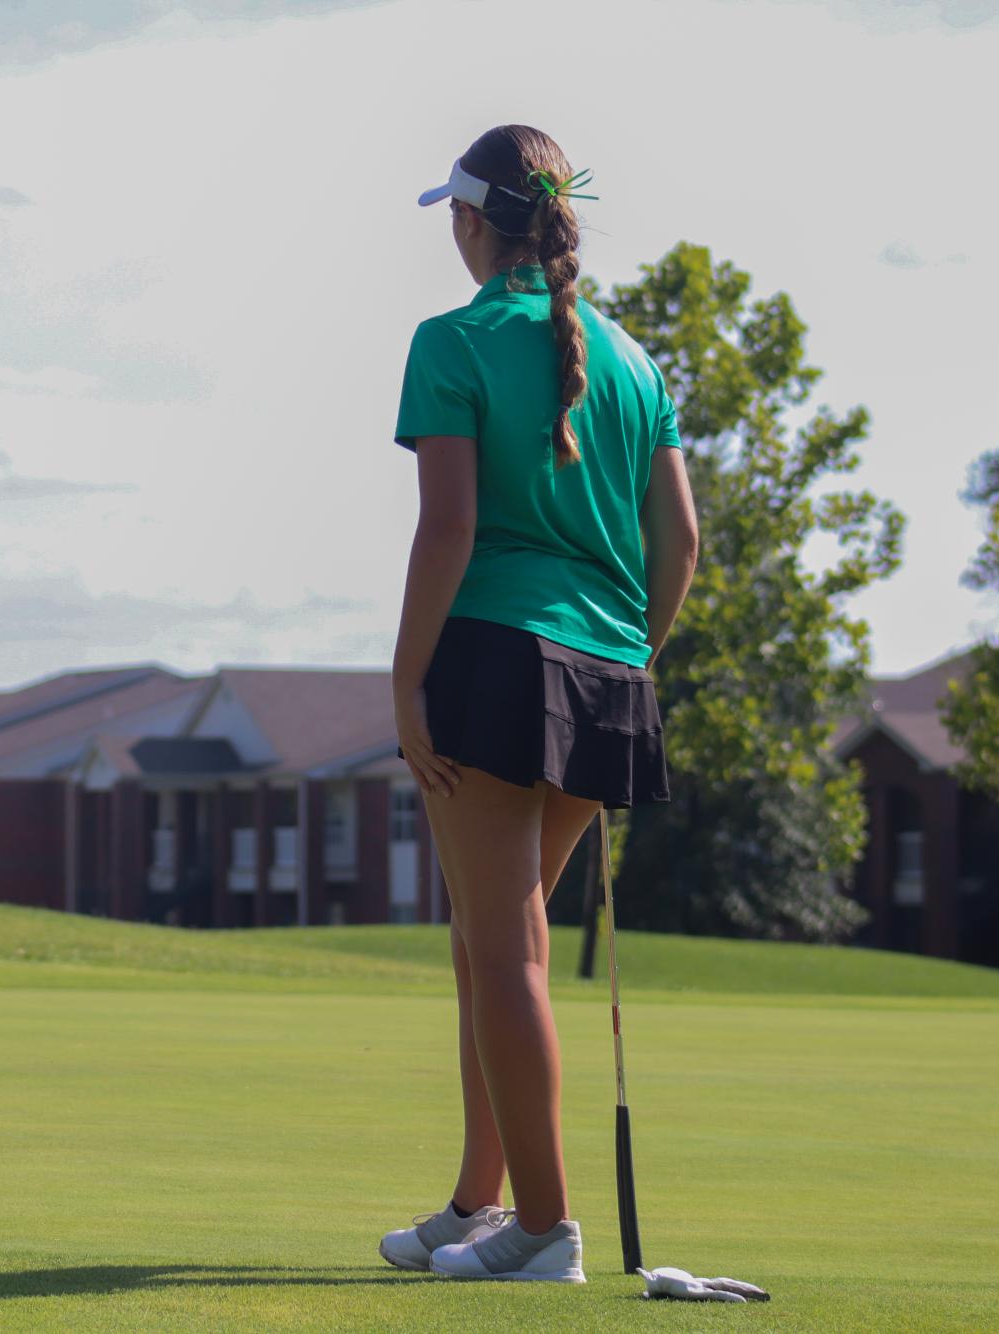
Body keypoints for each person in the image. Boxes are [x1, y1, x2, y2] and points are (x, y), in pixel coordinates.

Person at [375, 124, 699, 1283]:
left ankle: (546, 1228)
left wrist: (406, 680)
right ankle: (479, 1199)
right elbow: (684, 542)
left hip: (498, 657)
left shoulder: (450, 340)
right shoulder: (636, 359)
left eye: (453, 220)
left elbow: (449, 526)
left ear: (472, 223)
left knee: (503, 947)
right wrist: (624, 656)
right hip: (610, 673)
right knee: (488, 940)